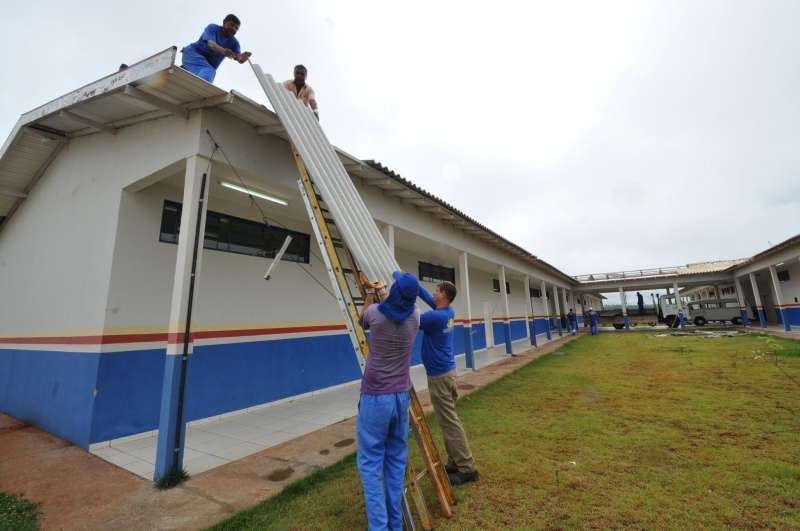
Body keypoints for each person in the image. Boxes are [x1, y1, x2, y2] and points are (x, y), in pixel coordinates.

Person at [357, 271, 420, 531]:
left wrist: (370, 291)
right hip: (400, 397)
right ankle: (395, 524)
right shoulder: (416, 315)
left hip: (375, 398)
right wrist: (383, 289)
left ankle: (379, 528)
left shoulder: (375, 315)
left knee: (371, 464)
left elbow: (363, 319)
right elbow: (397, 304)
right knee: (395, 462)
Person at [417, 281, 479, 486]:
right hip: (448, 373)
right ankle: (454, 461)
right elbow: (427, 298)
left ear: (442, 294)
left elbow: (410, 317)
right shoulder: (447, 312)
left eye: (436, 290)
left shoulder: (435, 317)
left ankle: (467, 467)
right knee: (447, 420)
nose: (433, 293)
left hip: (440, 377)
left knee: (450, 422)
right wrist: (414, 286)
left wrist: (401, 292)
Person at [181, 15, 252, 83]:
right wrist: (223, 51)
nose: (233, 29)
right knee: (209, 71)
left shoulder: (234, 42)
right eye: (231, 25)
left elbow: (237, 56)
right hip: (192, 54)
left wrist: (241, 58)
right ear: (224, 22)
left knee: (181, 76)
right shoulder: (213, 28)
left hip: (203, 65)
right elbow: (211, 43)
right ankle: (198, 91)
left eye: (236, 28)